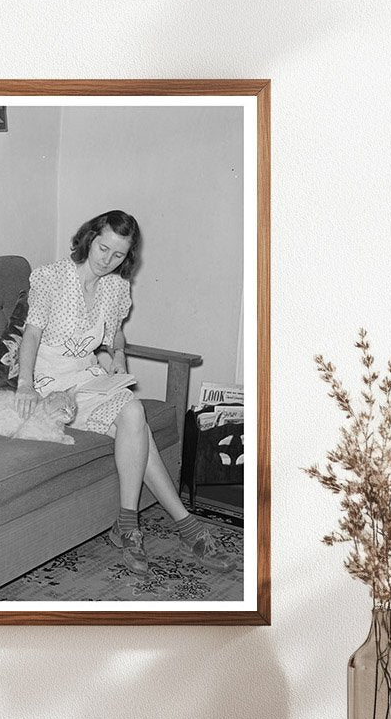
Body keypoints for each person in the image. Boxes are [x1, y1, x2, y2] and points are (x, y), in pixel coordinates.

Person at [14, 210, 231, 575]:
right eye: (103, 249)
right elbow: (31, 334)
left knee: (132, 412)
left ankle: (128, 523)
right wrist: (24, 384)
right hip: (53, 385)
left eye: (118, 255)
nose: (107, 260)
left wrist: (117, 359)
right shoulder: (49, 277)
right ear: (88, 238)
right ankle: (182, 524)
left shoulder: (116, 287)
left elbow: (114, 336)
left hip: (89, 375)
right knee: (137, 425)